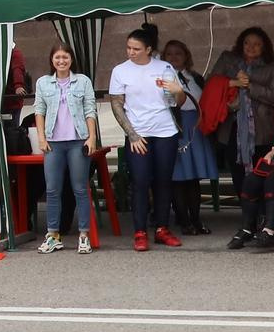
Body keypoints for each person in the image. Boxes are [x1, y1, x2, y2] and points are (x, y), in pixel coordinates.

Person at [106, 30, 184, 250]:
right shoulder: (120, 71)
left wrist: (179, 91)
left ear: (149, 49)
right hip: (138, 133)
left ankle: (162, 228)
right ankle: (139, 231)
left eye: (136, 49)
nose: (131, 52)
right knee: (140, 181)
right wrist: (132, 135)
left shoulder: (164, 68)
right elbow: (116, 104)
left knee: (163, 181)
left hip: (165, 131)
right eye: (129, 47)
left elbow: (176, 101)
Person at [208, 28, 274, 240]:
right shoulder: (228, 60)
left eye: (256, 44)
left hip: (259, 131)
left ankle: (264, 219)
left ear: (265, 47)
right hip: (231, 128)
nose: (251, 48)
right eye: (247, 43)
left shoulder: (273, 67)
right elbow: (211, 83)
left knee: (260, 175)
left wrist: (249, 86)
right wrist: (233, 83)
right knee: (238, 176)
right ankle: (247, 220)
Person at [32, 45, 100, 253]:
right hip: (53, 142)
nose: (61, 61)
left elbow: (90, 108)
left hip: (77, 140)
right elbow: (39, 110)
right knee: (52, 189)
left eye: (65, 57)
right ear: (51, 59)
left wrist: (92, 137)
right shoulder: (43, 83)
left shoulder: (83, 81)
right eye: (57, 57)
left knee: (80, 188)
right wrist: (41, 138)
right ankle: (53, 234)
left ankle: (84, 234)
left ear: (71, 59)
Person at [161, 40, 216, 236]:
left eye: (179, 53)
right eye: (169, 54)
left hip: (196, 127)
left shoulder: (195, 78)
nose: (174, 57)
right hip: (176, 126)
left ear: (186, 56)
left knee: (193, 178)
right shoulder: (164, 78)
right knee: (178, 178)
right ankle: (183, 221)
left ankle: (196, 219)